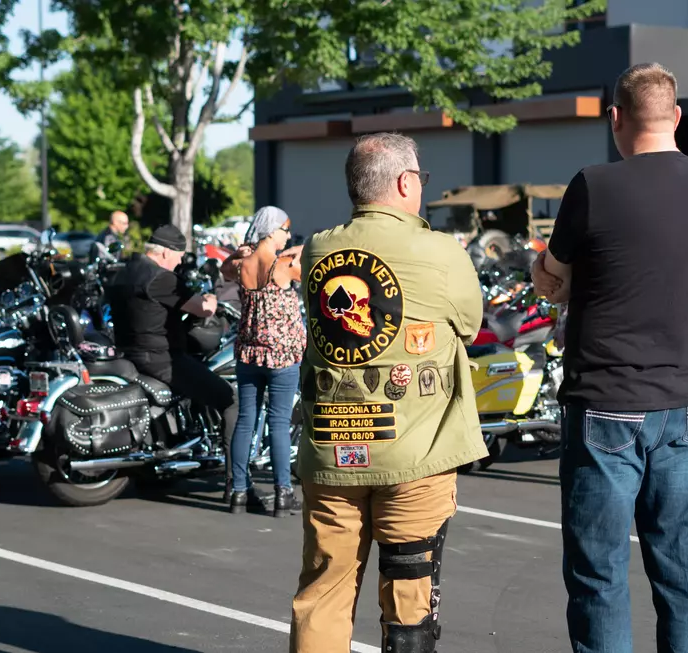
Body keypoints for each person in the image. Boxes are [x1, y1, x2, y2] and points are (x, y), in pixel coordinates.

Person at [531, 62, 688, 653]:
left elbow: (551, 281)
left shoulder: (595, 184)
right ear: (677, 117)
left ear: (615, 118)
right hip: (686, 406)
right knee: (680, 574)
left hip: (608, 406)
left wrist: (544, 267)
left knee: (599, 576)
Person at [290, 133, 488, 653]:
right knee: (407, 597)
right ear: (405, 182)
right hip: (414, 455)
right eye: (421, 178)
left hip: (333, 451)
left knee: (323, 592)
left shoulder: (318, 247)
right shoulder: (441, 253)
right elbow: (470, 324)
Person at [107, 225, 238, 488]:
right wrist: (211, 299)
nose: (179, 262)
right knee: (231, 400)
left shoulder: (123, 272)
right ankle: (237, 482)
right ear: (166, 253)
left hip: (129, 353)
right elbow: (201, 308)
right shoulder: (160, 278)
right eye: (178, 255)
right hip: (161, 358)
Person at [220, 206, 306, 517]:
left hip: (248, 352)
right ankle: (283, 492)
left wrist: (243, 249)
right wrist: (298, 247)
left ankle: (239, 492)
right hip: (281, 354)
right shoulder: (282, 267)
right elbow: (310, 255)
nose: (287, 235)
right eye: (284, 229)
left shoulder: (242, 265)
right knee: (279, 422)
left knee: (246, 420)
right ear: (271, 230)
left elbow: (224, 268)